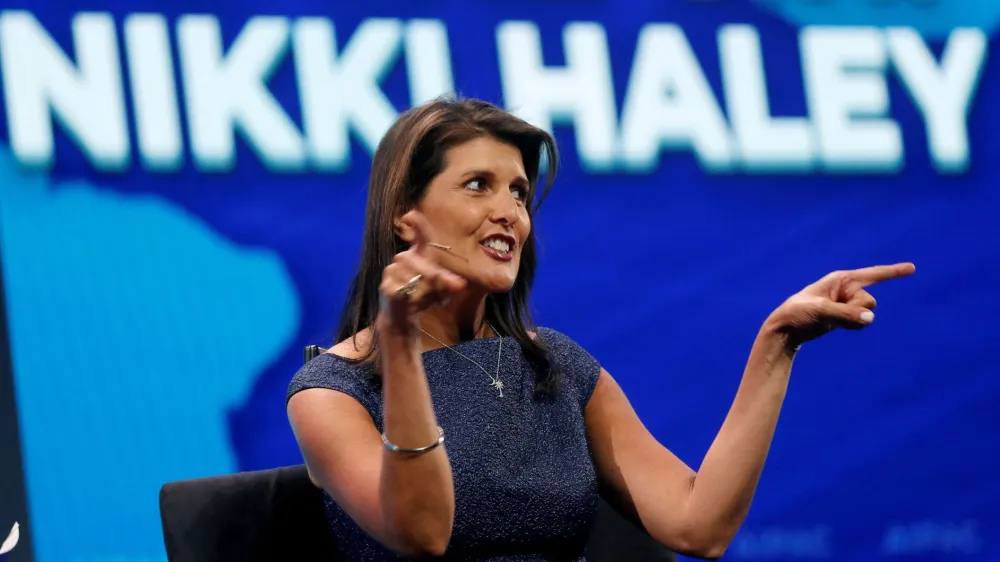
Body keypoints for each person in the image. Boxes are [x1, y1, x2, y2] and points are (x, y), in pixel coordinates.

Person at [286, 97, 915, 561]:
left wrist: (776, 344)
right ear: (405, 216)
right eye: (478, 186)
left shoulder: (552, 364)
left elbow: (699, 525)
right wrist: (398, 347)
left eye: (519, 192)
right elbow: (423, 534)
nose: (509, 212)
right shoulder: (331, 391)